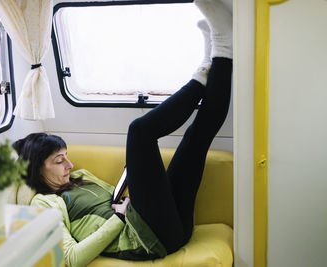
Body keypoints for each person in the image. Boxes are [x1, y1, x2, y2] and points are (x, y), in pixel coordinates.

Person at [12, 0, 232, 266]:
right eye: (59, 161)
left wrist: (127, 195)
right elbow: (70, 259)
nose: (70, 164)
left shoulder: (78, 177)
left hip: (171, 228)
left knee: (196, 139)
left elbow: (115, 200)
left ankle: (219, 55)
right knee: (139, 132)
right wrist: (119, 217)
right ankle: (212, 59)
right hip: (147, 237)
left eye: (66, 156)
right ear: (37, 169)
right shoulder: (45, 203)